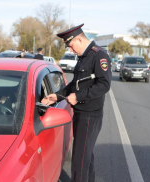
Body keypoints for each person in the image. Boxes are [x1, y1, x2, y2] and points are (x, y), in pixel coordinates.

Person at [41, 23, 111, 182]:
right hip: (80, 113)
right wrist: (57, 96)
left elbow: (104, 84)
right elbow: (75, 85)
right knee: (87, 158)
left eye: (71, 46)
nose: (71, 50)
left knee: (79, 162)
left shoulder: (99, 56)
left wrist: (79, 97)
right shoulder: (82, 58)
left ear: (79, 40)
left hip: (89, 116)